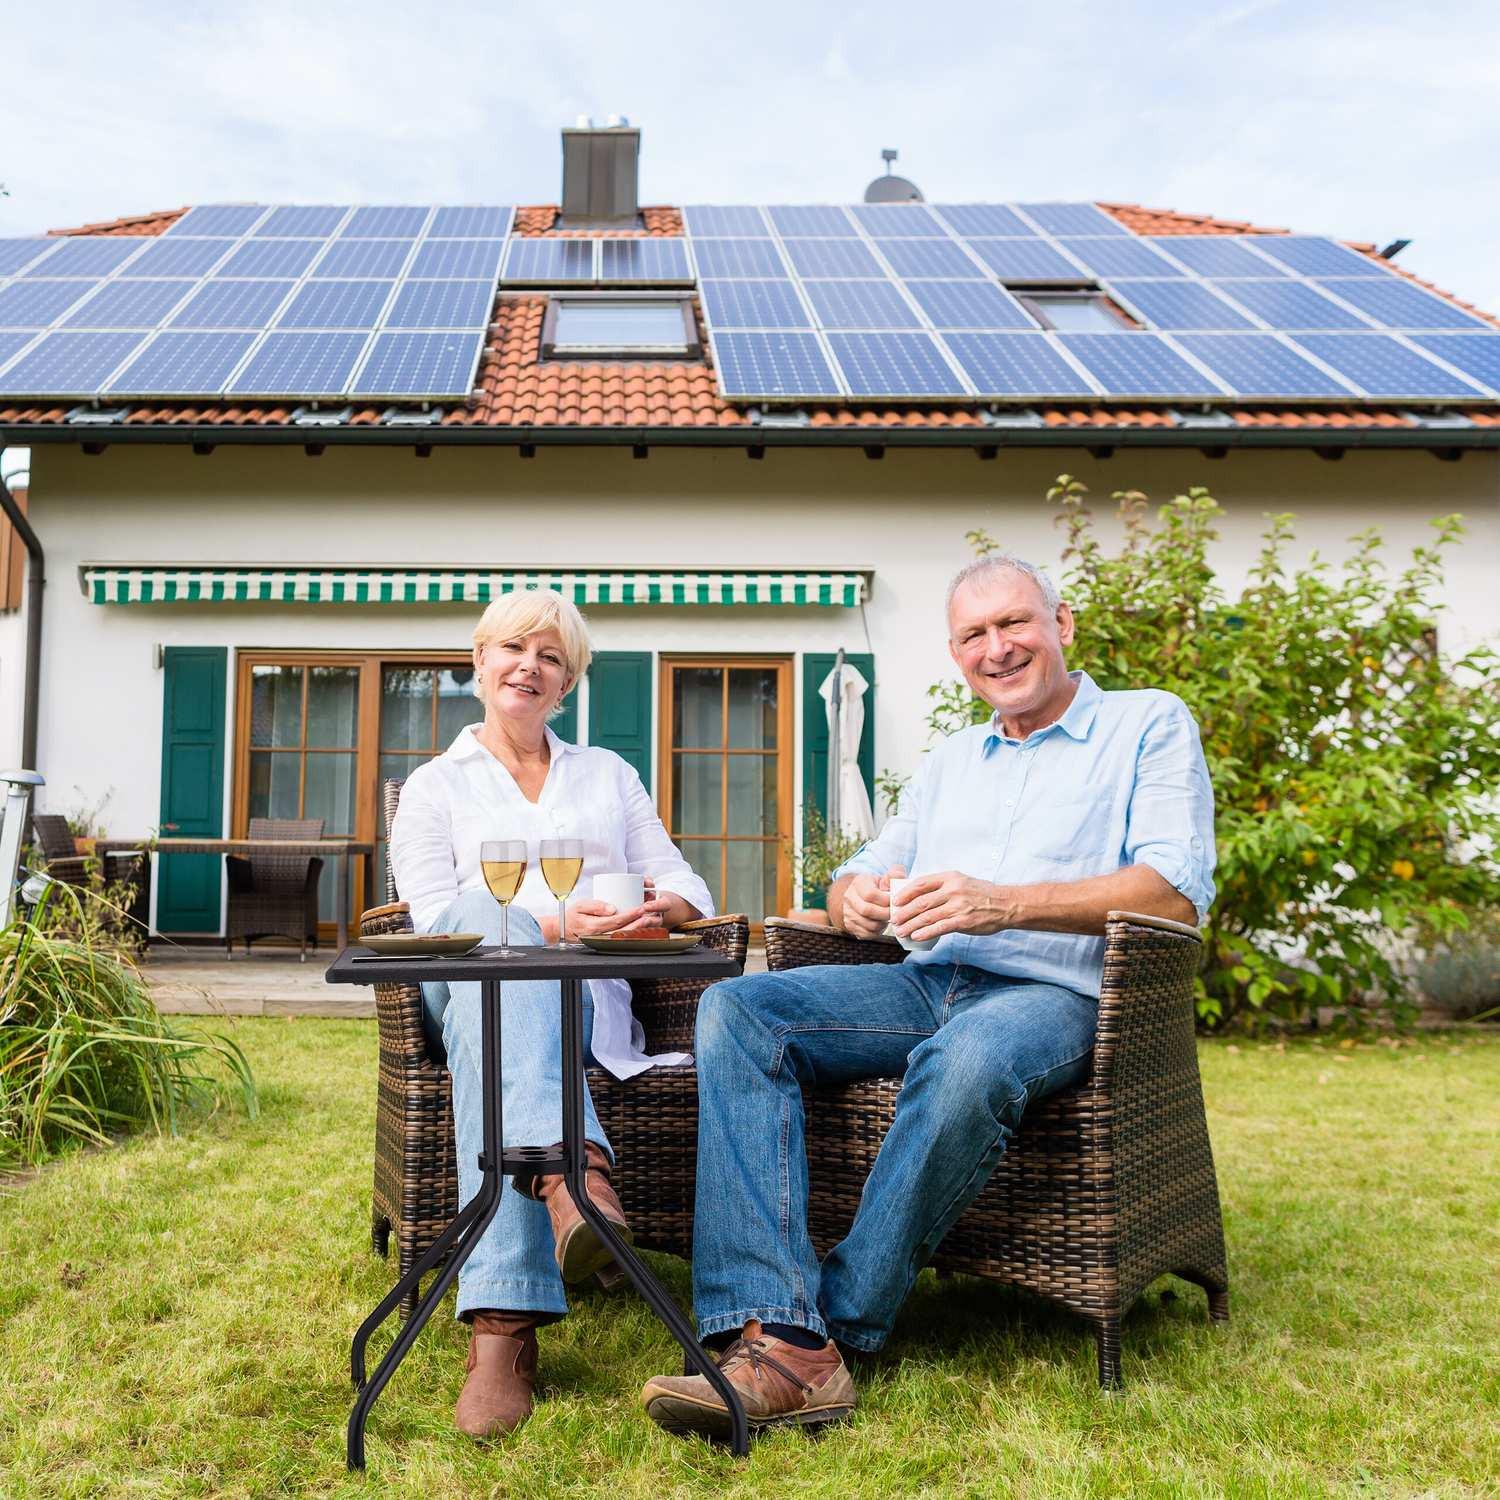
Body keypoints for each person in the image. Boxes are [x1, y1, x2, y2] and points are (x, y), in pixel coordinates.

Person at [641, 553, 1215, 1438]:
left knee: (971, 1055)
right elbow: (861, 875)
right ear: (957, 655)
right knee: (740, 1008)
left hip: (1056, 997)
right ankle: (773, 1321)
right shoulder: (953, 759)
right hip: (924, 981)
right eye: (974, 635)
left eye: (1015, 623)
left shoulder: (1147, 725)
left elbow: (1173, 892)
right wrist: (852, 898)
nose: (998, 647)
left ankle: (813, 1331)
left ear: (1061, 627)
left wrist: (1005, 904)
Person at [390, 588, 711, 1440]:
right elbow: (433, 926)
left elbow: (690, 888)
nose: (528, 666)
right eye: (512, 649)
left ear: (566, 683)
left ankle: (501, 1334)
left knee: (507, 1019)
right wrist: (550, 925)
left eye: (551, 656)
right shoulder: (432, 787)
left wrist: (651, 911)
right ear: (479, 662)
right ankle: (574, 1171)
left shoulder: (608, 775)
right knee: (494, 926)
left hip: (579, 1008)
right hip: (453, 992)